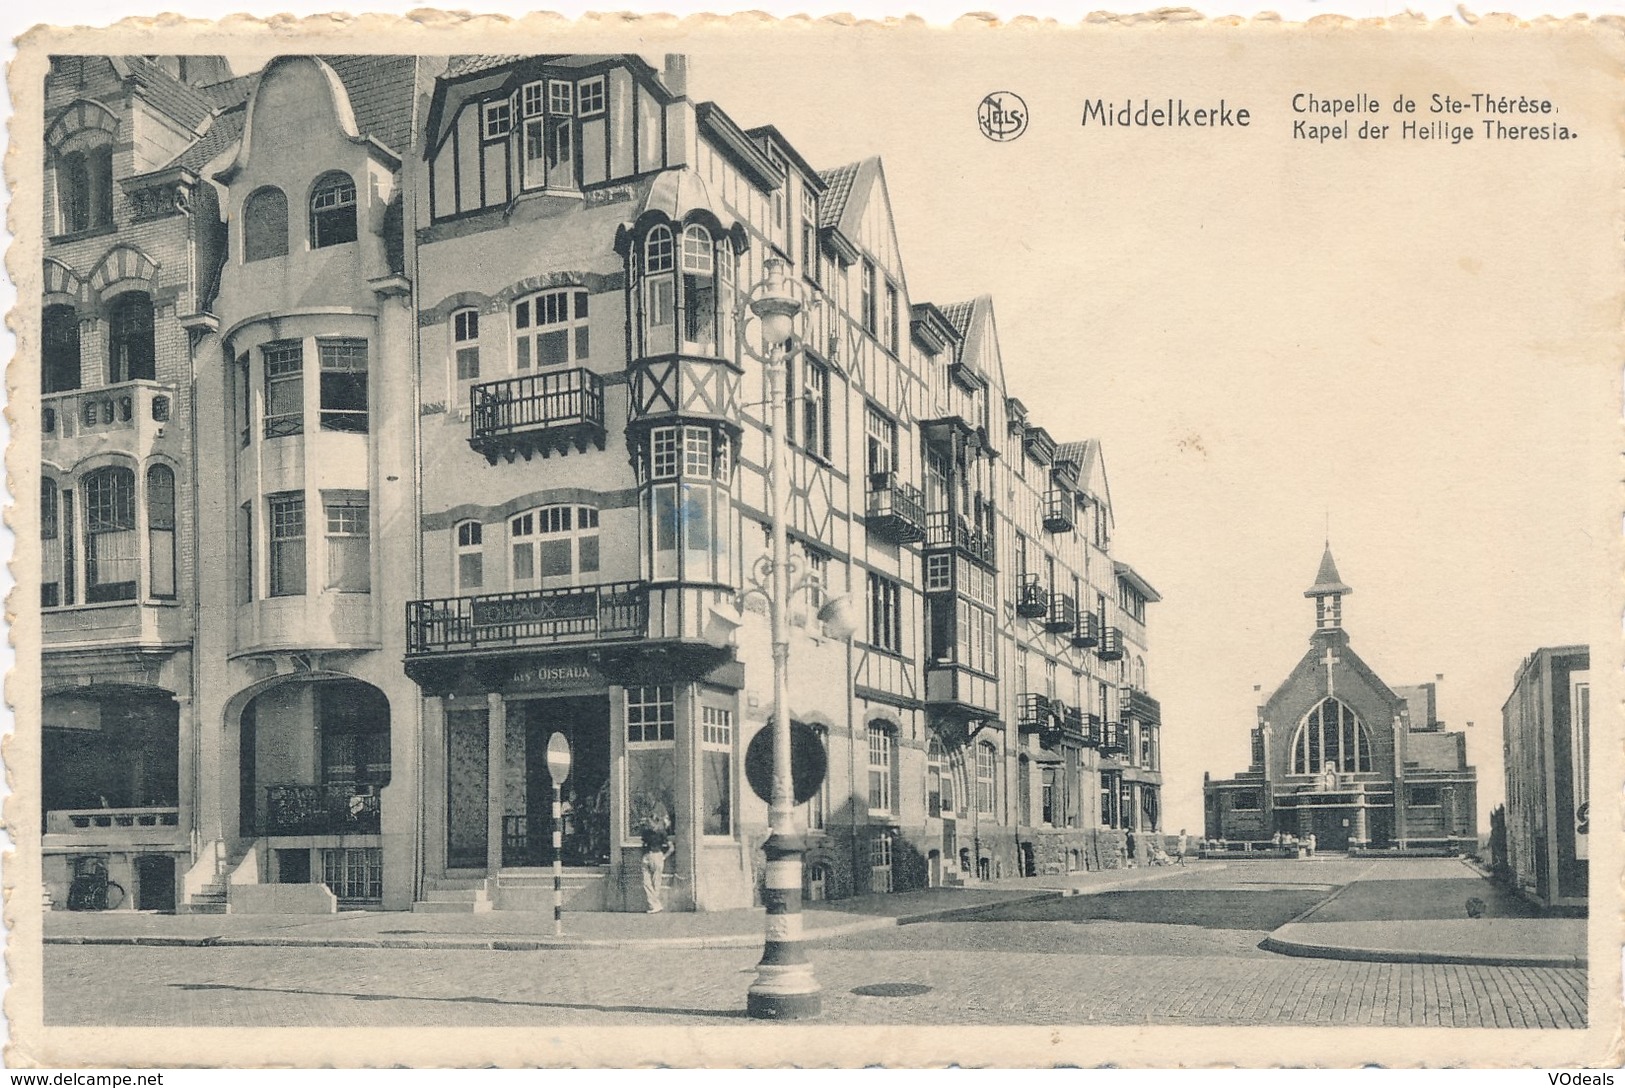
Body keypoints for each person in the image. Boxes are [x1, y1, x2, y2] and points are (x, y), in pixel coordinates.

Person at [640, 816, 672, 913]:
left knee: (655, 882)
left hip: (656, 854)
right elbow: (643, 843)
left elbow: (671, 848)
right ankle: (655, 904)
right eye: (648, 822)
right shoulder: (646, 832)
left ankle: (654, 905)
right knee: (646, 882)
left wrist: (663, 857)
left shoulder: (661, 833)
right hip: (648, 856)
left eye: (651, 822)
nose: (650, 824)